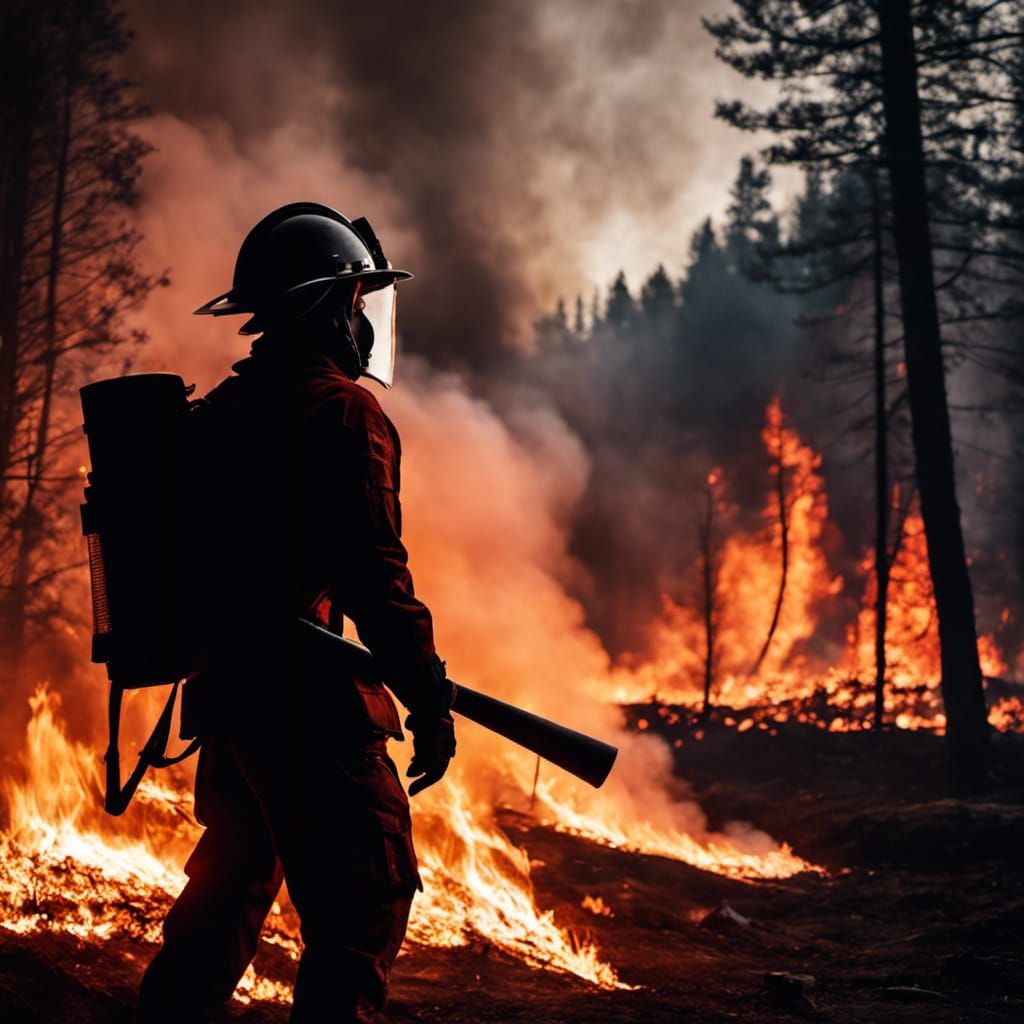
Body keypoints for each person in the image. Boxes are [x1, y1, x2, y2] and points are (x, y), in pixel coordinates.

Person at [137, 202, 456, 1023]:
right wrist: (426, 694)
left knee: (226, 897)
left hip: (234, 704)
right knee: (365, 905)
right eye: (355, 303)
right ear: (325, 308)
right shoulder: (343, 413)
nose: (364, 325)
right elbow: (375, 576)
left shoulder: (218, 415)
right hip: (309, 709)